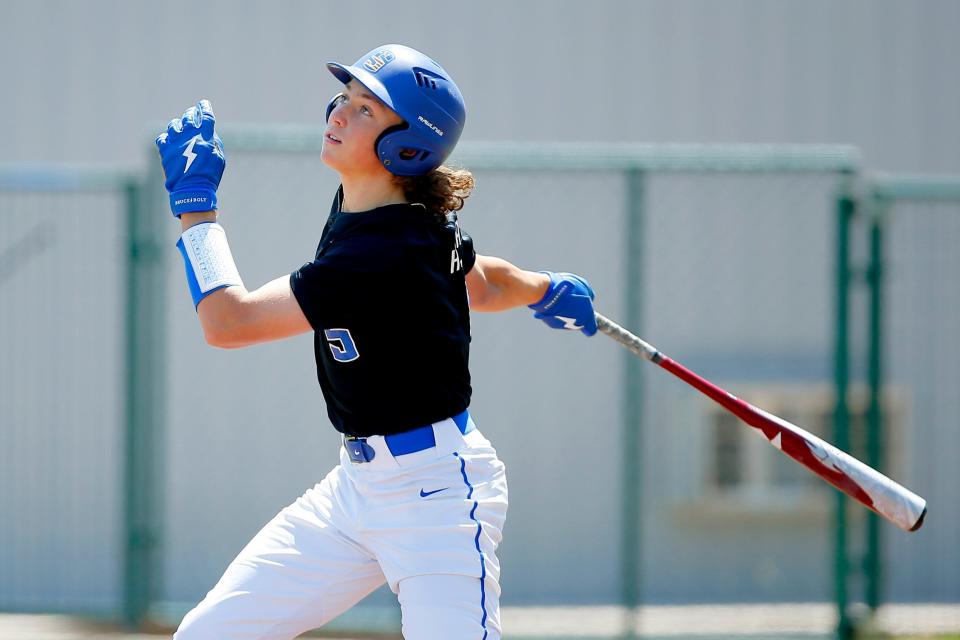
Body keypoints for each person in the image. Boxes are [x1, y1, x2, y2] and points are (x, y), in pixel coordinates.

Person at [156, 44, 597, 640]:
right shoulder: (398, 219)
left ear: (408, 146)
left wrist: (196, 212)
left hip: (435, 496)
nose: (338, 113)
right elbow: (484, 283)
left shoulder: (383, 248)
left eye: (366, 109)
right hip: (356, 491)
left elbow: (229, 324)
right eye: (345, 99)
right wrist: (545, 288)